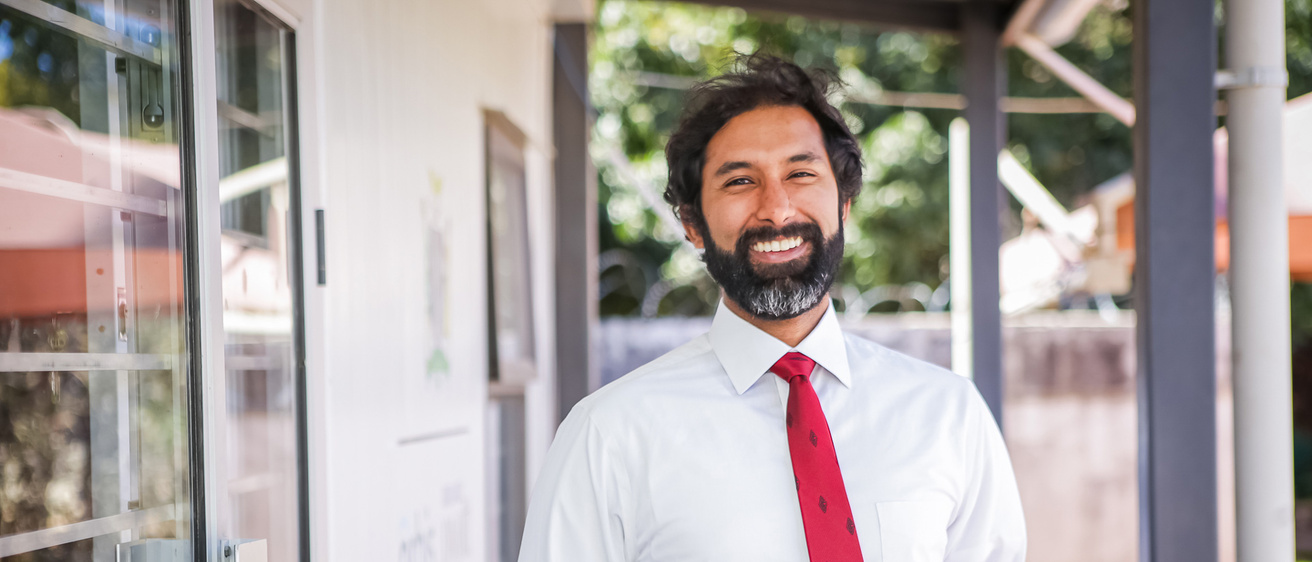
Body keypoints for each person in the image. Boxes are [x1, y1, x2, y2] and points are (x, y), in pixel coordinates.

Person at [519, 54, 1026, 562]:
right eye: (740, 181)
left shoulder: (949, 415)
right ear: (693, 225)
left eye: (801, 173)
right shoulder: (609, 435)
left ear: (844, 205)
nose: (777, 209)